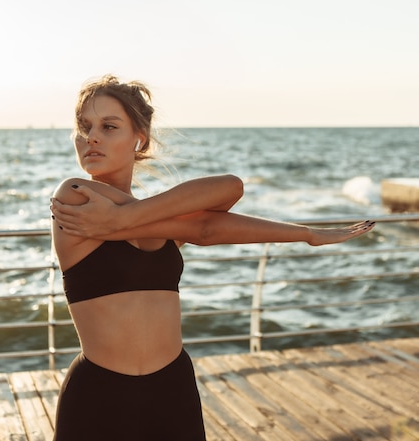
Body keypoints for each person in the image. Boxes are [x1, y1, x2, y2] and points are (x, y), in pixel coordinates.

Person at [49, 74, 375, 441]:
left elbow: (226, 193)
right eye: (84, 127)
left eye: (109, 126)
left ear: (139, 138)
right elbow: (203, 224)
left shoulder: (152, 218)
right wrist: (153, 218)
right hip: (99, 396)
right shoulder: (74, 197)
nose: (91, 137)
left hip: (171, 388)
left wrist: (307, 234)